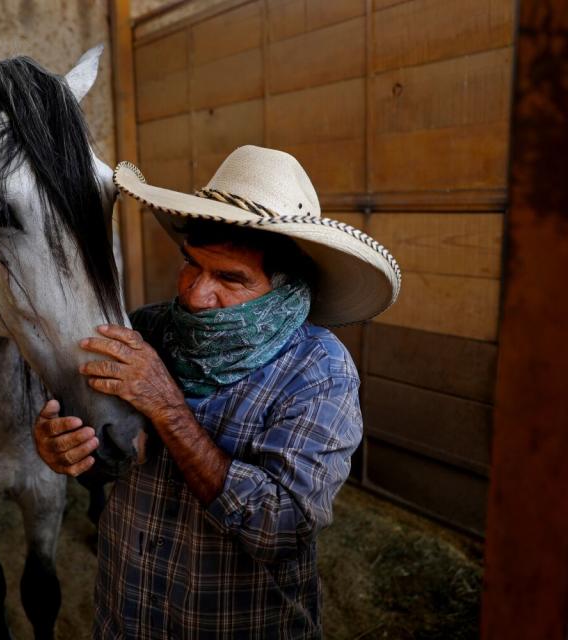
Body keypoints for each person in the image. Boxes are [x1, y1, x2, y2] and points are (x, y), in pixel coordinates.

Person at [33, 145, 401, 638]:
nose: (195, 294)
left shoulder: (320, 372)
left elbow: (279, 526)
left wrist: (168, 407)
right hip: (125, 616)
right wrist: (67, 445)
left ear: (288, 288)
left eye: (230, 278)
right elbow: (108, 463)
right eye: (192, 265)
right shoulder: (146, 331)